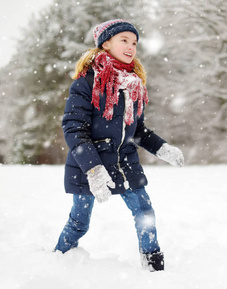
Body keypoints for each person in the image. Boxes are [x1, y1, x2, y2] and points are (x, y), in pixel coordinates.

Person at [54, 19, 184, 271]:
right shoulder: (85, 83)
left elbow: (138, 131)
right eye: (124, 40)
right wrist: (93, 168)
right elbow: (74, 129)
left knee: (145, 212)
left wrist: (162, 148)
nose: (131, 46)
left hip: (125, 162)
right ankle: (57, 259)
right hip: (87, 163)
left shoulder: (134, 85)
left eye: (134, 42)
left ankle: (154, 269)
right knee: (80, 222)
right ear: (106, 44)